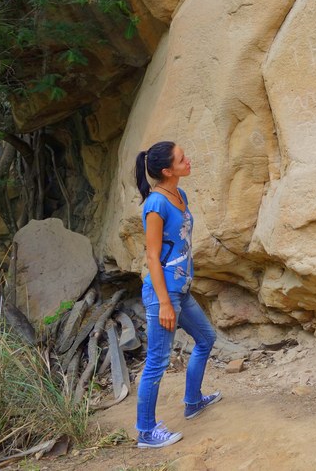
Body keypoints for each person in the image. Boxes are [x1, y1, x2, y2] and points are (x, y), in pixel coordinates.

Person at [133, 141, 221, 448]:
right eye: (183, 159)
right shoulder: (155, 205)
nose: (189, 161)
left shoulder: (179, 194)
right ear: (167, 170)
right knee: (157, 360)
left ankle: (193, 401)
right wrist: (165, 304)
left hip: (180, 290)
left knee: (206, 338)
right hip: (163, 294)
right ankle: (145, 432)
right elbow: (152, 257)